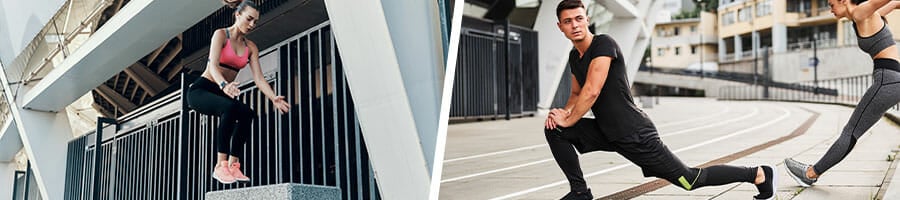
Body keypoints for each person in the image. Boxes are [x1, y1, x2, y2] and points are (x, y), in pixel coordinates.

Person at [543, 1, 776, 199]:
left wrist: (570, 118)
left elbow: (592, 90)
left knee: (689, 180)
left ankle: (757, 173)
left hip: (634, 133)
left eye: (578, 18)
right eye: (568, 21)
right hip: (607, 131)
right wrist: (563, 114)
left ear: (587, 19)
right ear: (560, 27)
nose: (574, 25)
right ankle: (580, 192)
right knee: (555, 129)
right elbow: (576, 94)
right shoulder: (576, 56)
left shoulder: (603, 44)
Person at [784, 0, 900, 187]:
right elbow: (894, 3)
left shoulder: (862, 12)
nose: (830, 9)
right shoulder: (867, 15)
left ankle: (811, 173)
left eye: (831, 4)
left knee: (850, 132)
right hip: (891, 79)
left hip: (887, 81)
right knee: (853, 131)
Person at [187, 0, 291, 184]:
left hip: (220, 92)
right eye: (249, 19)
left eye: (255, 21)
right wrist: (224, 85)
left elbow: (258, 78)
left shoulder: (251, 47)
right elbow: (212, 66)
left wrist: (273, 97)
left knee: (247, 114)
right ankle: (221, 166)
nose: (252, 25)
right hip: (201, 90)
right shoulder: (221, 35)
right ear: (238, 15)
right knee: (229, 108)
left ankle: (234, 166)